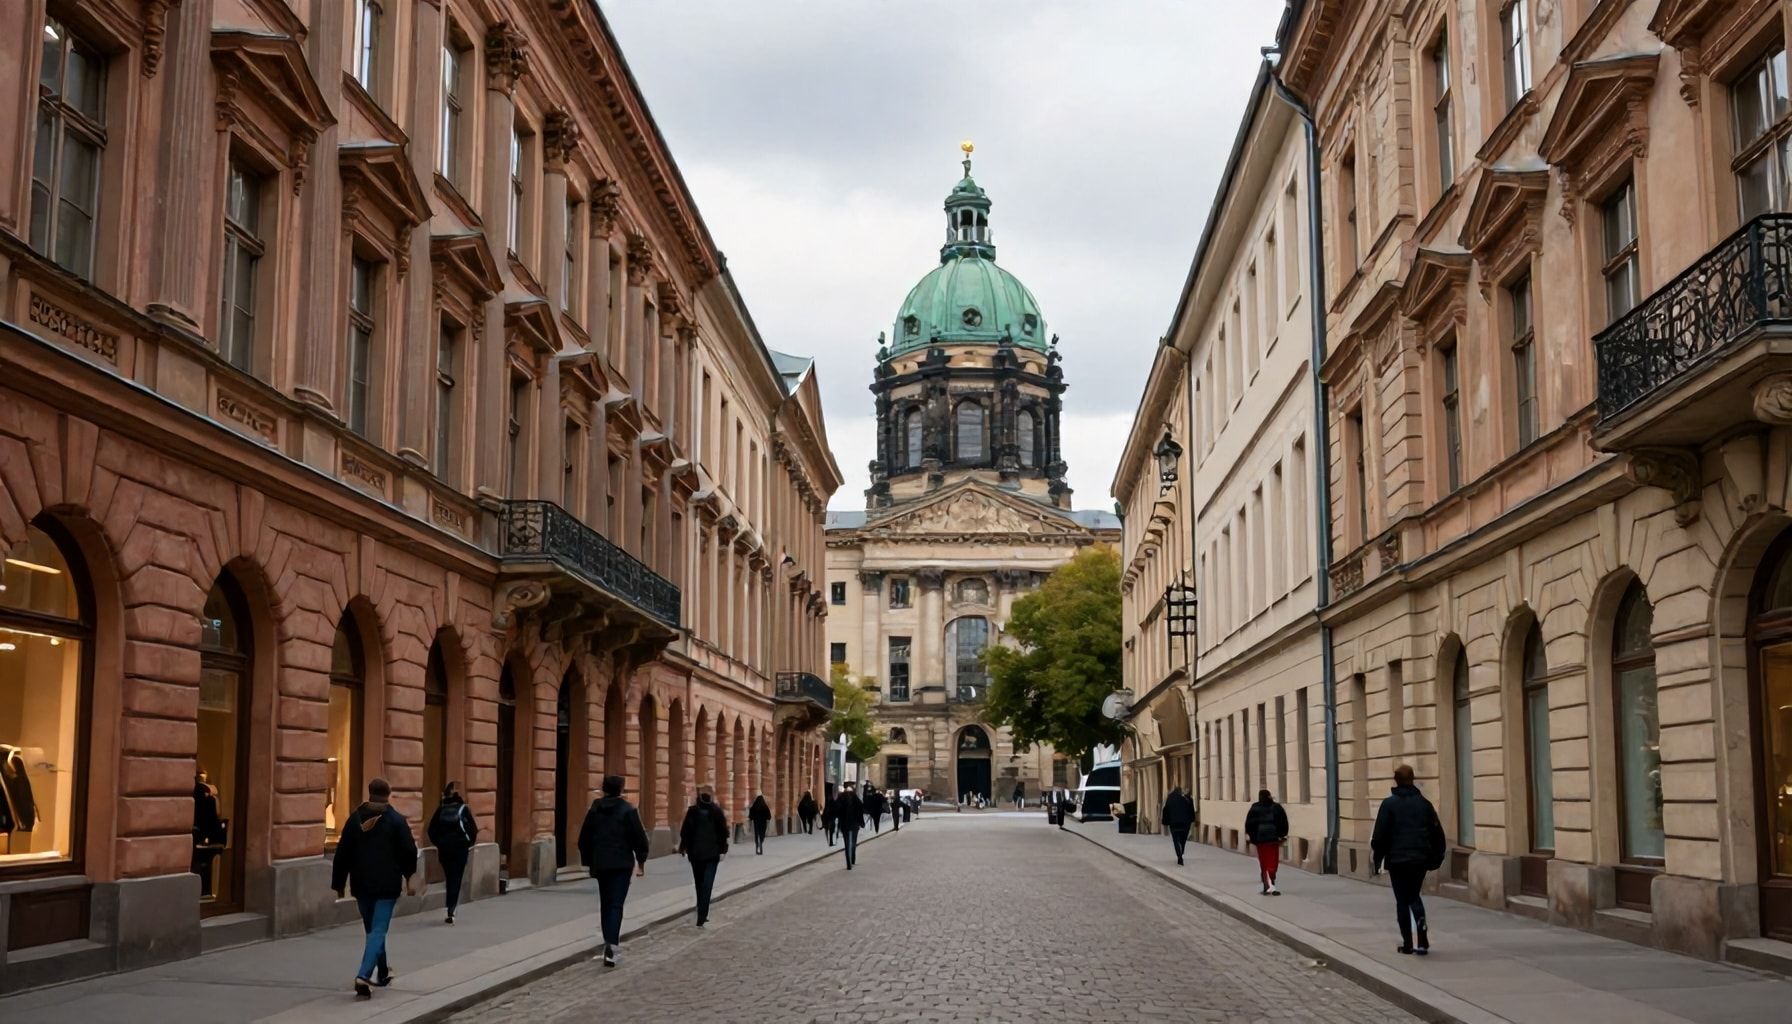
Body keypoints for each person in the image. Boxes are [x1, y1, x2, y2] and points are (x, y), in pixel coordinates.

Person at [330, 778, 418, 1000]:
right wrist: (410, 875)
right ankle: (364, 975)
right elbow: (408, 851)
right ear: (388, 794)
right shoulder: (396, 820)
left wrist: (339, 883)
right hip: (387, 884)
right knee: (378, 931)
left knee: (373, 931)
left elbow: (342, 853)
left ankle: (384, 972)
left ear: (369, 793)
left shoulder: (354, 819)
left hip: (361, 884)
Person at [1370, 764, 1447, 956]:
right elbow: (1438, 834)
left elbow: (1379, 836)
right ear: (1412, 779)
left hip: (1397, 860)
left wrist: (1377, 860)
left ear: (1396, 780)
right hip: (1419, 859)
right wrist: (1436, 858)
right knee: (1414, 895)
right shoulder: (1425, 804)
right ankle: (1422, 937)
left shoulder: (1389, 804)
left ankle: (1408, 944)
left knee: (1402, 901)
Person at [577, 775, 649, 968]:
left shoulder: (595, 809)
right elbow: (639, 838)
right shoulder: (628, 810)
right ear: (621, 789)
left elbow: (583, 839)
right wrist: (641, 861)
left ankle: (608, 943)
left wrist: (589, 862)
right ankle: (612, 947)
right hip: (621, 864)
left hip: (601, 864)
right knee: (616, 905)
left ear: (604, 788)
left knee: (606, 904)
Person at [426, 781, 478, 924]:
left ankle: (450, 905)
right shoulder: (463, 809)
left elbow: (431, 830)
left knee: (449, 877)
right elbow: (473, 830)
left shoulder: (441, 810)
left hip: (445, 850)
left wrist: (439, 843)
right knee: (456, 878)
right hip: (460, 849)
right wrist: (468, 843)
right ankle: (451, 908)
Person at [677, 787, 729, 927]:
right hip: (712, 854)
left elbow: (685, 832)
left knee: (699, 883)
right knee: (707, 884)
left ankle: (701, 909)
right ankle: (702, 913)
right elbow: (723, 832)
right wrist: (723, 849)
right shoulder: (716, 811)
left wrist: (683, 846)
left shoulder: (693, 812)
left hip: (696, 854)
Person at [1243, 789, 1290, 894]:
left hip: (1261, 840)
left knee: (1264, 861)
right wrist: (1282, 835)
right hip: (1273, 839)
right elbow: (1283, 821)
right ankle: (1271, 875)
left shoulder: (1255, 807)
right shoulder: (1276, 807)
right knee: (1273, 859)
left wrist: (1252, 837)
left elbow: (1249, 824)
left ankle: (1267, 884)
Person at [1161, 786, 1195, 865]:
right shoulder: (1186, 798)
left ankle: (1179, 857)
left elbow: (1165, 810)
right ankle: (1181, 850)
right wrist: (1192, 819)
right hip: (1185, 823)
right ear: (1180, 792)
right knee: (1183, 840)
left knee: (1176, 840)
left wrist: (1165, 821)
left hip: (1174, 823)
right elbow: (1191, 809)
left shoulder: (1170, 798)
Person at [834, 784, 864, 869]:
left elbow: (836, 810)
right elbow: (860, 810)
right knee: (853, 842)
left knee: (847, 844)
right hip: (854, 824)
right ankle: (853, 860)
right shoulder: (855, 798)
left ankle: (848, 864)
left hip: (844, 824)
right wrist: (861, 822)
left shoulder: (841, 798)